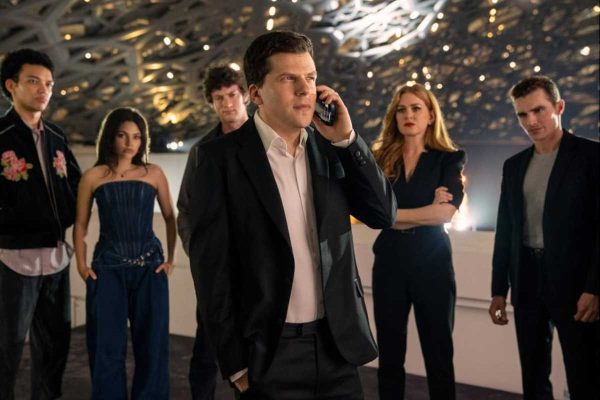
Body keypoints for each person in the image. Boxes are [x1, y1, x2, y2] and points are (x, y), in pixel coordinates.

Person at [187, 31, 396, 399]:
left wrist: (347, 139)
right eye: (288, 78)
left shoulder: (332, 150)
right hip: (268, 354)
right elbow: (211, 268)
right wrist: (235, 362)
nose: (305, 90)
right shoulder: (217, 159)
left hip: (338, 347)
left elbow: (383, 213)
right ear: (255, 93)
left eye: (310, 78)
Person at [489, 76, 599, 399]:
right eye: (522, 114)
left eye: (538, 110)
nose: (531, 121)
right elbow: (505, 230)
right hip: (527, 282)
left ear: (559, 107)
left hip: (576, 284)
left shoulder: (591, 157)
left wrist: (595, 287)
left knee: (585, 377)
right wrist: (498, 289)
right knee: (533, 377)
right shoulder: (513, 166)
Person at [73, 107, 176, 399]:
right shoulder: (93, 176)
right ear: (110, 137)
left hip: (150, 269)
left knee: (153, 346)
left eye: (136, 136)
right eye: (122, 135)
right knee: (105, 347)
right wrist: (81, 266)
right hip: (107, 270)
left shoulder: (154, 173)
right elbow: (80, 225)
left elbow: (171, 218)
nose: (130, 143)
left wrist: (171, 260)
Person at [370, 83, 465, 399]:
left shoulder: (449, 159)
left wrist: (394, 216)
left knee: (439, 353)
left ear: (430, 115)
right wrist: (425, 211)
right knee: (389, 354)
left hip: (432, 263)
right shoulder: (380, 159)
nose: (408, 115)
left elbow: (444, 214)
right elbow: (374, 214)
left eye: (416, 108)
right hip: (389, 262)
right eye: (401, 109)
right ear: (394, 116)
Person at [0, 48, 81, 400]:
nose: (43, 90)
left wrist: (68, 219)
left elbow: (77, 184)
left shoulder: (57, 136)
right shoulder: (2, 135)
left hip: (56, 259)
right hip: (12, 260)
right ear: (11, 85)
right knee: (6, 350)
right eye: (33, 81)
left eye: (48, 83)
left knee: (54, 349)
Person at [177, 65, 249, 400]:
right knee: (206, 349)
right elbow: (186, 209)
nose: (227, 103)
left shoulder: (266, 141)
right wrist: (200, 255)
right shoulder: (201, 152)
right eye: (219, 98)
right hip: (216, 268)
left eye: (232, 95)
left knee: (256, 352)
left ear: (245, 95)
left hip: (258, 266)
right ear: (211, 102)